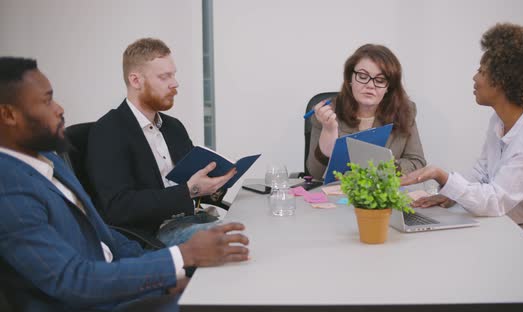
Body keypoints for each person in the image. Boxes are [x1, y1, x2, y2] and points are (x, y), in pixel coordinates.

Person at [0, 57, 249, 311]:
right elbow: (72, 280)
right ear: (8, 114)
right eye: (46, 100)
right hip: (97, 303)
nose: (60, 108)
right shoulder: (8, 188)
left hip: (124, 287)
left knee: (235, 283)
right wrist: (181, 256)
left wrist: (170, 277)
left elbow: (105, 236)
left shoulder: (49, 159)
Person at [400, 23, 523, 273]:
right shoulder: (500, 121)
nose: (474, 77)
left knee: (470, 264)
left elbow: (495, 201)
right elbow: (482, 173)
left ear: (502, 81)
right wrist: (450, 193)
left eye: (481, 70)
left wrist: (442, 176)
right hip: (522, 224)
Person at [86, 38, 234, 246]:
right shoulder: (108, 131)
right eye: (165, 77)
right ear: (136, 81)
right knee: (239, 237)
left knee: (253, 225)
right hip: (153, 234)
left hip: (192, 219)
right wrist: (190, 190)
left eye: (173, 75)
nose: (175, 83)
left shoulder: (173, 127)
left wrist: (216, 185)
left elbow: (194, 184)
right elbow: (118, 207)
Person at [306, 44, 426, 180]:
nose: (370, 85)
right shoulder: (327, 113)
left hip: (384, 194)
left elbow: (418, 162)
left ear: (388, 87)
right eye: (363, 76)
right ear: (350, 78)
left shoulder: (404, 111)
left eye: (380, 80)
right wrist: (328, 132)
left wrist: (389, 166)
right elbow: (315, 173)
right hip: (339, 195)